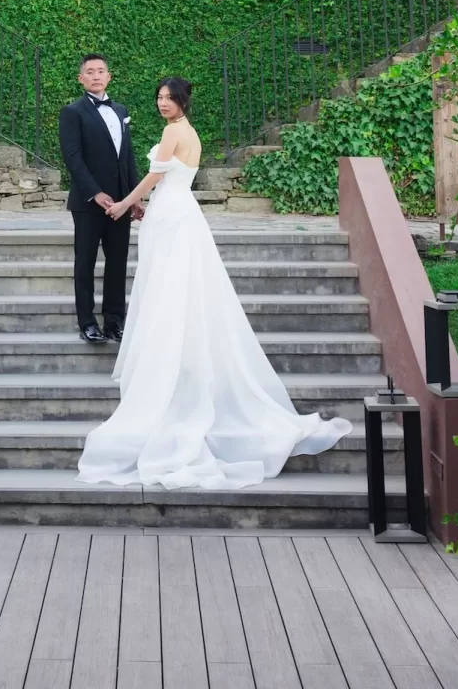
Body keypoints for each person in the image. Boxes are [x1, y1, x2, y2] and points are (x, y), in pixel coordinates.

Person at [77, 75, 353, 489]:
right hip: (180, 209)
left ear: (183, 101)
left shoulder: (174, 132)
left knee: (168, 285)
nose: (162, 104)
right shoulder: (191, 132)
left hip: (170, 210)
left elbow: (153, 178)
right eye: (158, 98)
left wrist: (123, 205)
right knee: (177, 284)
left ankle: (170, 361)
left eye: (169, 99)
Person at [58, 54, 143, 345]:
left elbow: (127, 157)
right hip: (87, 203)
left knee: (117, 263)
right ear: (81, 78)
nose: (96, 76)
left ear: (109, 76)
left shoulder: (120, 110)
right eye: (90, 72)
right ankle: (87, 323)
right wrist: (95, 193)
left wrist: (135, 197)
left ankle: (114, 322)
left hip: (120, 203)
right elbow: (72, 157)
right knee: (85, 263)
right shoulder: (72, 112)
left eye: (101, 71)